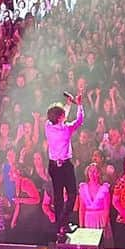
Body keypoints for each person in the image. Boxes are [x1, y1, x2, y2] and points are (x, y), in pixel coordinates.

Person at [44, 88, 84, 238]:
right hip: (65, 166)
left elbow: (61, 118)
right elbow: (79, 121)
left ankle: (60, 226)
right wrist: (79, 105)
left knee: (59, 196)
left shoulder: (48, 126)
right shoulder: (65, 130)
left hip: (53, 166)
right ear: (61, 118)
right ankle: (63, 222)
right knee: (72, 193)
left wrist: (68, 105)